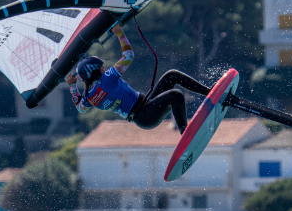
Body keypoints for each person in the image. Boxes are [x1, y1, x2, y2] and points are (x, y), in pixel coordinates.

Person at [65, 24, 211, 134]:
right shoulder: (108, 78)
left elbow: (81, 108)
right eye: (102, 66)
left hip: (144, 113)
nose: (105, 67)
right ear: (95, 70)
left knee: (171, 76)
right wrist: (119, 33)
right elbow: (128, 55)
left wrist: (72, 86)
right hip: (146, 113)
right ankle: (185, 132)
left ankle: (210, 93)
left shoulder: (90, 97)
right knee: (176, 95)